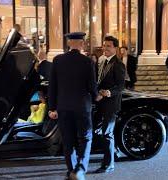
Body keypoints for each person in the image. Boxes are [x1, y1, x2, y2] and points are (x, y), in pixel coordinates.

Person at [48, 32, 101, 180]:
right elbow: (92, 86)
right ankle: (80, 168)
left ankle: (71, 169)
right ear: (82, 43)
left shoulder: (57, 60)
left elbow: (52, 86)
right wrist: (97, 96)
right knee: (85, 138)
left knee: (68, 140)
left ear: (69, 43)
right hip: (82, 107)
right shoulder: (87, 61)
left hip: (63, 107)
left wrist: (52, 108)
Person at [95, 36, 125, 174]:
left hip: (111, 104)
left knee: (107, 133)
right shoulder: (101, 61)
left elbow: (120, 87)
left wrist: (107, 92)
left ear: (115, 48)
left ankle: (109, 164)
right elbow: (98, 80)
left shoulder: (118, 64)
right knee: (97, 131)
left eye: (108, 46)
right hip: (100, 103)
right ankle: (113, 152)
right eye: (104, 45)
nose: (105, 48)